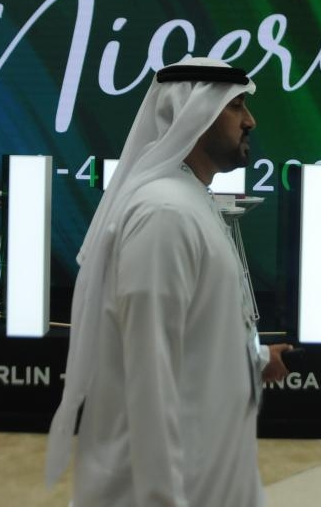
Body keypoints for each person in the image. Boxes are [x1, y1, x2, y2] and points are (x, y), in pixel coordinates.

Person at [45, 57, 291, 506]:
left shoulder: (189, 200)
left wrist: (255, 358)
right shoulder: (164, 214)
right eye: (236, 106)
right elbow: (149, 375)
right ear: (193, 113)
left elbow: (196, 332)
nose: (250, 121)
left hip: (210, 471)